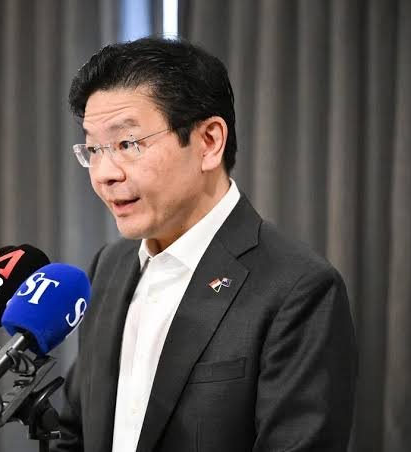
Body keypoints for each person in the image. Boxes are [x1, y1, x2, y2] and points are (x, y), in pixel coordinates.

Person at [52, 37, 357, 452]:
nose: (105, 173)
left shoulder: (298, 288)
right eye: (93, 149)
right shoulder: (109, 266)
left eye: (127, 144)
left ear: (209, 142)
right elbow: (74, 430)